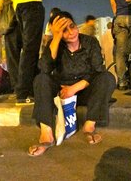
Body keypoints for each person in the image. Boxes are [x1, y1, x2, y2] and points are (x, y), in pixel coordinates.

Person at [28, 11, 116, 157]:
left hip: (85, 92)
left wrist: (74, 88)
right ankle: (46, 135)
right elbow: (44, 68)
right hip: (62, 94)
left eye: (72, 26)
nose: (71, 32)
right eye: (64, 30)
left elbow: (98, 70)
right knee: (41, 79)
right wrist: (55, 38)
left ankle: (89, 127)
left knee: (107, 78)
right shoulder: (55, 44)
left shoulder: (90, 42)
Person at [0, 0, 45, 105]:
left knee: (27, 50)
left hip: (18, 4)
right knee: (31, 49)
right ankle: (24, 92)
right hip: (32, 2)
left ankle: (27, 90)